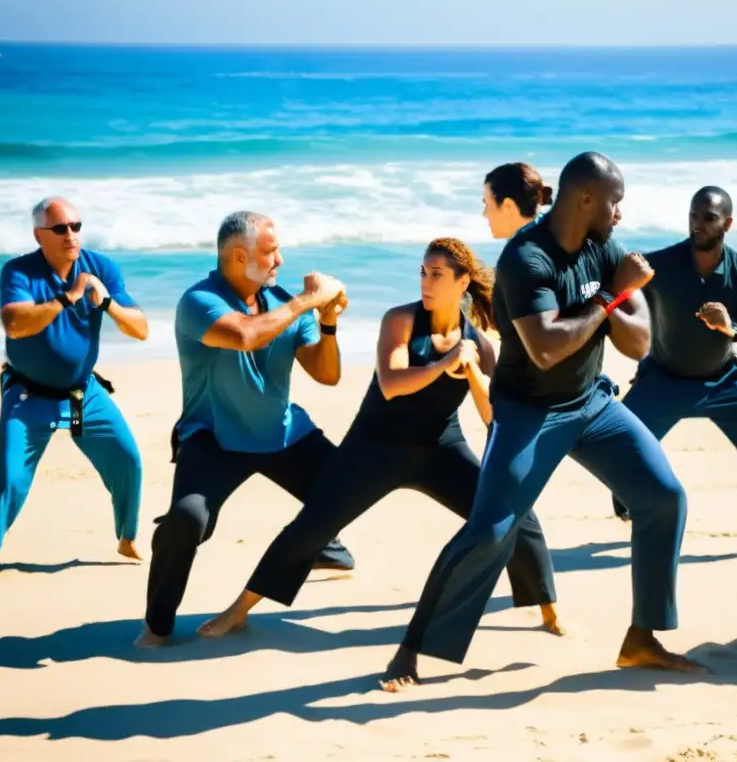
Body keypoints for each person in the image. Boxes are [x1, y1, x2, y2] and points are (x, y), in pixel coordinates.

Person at [381, 152, 705, 691]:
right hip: (528, 412)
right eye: (613, 202)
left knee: (663, 496)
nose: (620, 213)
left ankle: (642, 638)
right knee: (490, 530)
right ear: (585, 200)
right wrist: (611, 294)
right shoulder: (526, 259)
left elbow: (638, 340)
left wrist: (618, 294)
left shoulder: (605, 247)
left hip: (592, 404)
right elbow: (547, 347)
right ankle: (410, 649)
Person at [197, 237, 563, 639]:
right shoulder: (400, 320)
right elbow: (391, 383)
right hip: (374, 447)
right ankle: (240, 609)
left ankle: (548, 610)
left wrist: (473, 372)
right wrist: (443, 364)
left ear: (462, 283)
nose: (425, 282)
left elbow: (494, 416)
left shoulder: (477, 344)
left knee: (515, 512)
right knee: (313, 524)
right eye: (423, 272)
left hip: (441, 447)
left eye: (437, 275)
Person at [135, 211, 355, 646]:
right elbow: (243, 336)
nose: (280, 260)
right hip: (214, 438)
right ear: (239, 256)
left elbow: (326, 374)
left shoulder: (285, 302)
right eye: (271, 250)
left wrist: (327, 319)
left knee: (350, 487)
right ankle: (157, 626)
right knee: (187, 519)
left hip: (282, 432)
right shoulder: (200, 302)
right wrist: (307, 302)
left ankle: (325, 547)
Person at [609, 187, 737, 554]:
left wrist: (732, 329)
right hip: (662, 380)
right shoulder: (660, 265)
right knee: (615, 443)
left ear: (727, 223)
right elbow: (617, 288)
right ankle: (627, 504)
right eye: (694, 215)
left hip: (722, 382)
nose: (698, 224)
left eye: (708, 218)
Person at [0, 197, 148, 575]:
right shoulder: (19, 271)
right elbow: (15, 324)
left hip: (82, 396)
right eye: (60, 229)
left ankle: (127, 536)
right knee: (9, 477)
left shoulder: (101, 267)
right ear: (39, 235)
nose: (71, 235)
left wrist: (108, 303)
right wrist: (69, 297)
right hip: (28, 395)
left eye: (76, 227)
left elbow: (141, 329)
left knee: (126, 459)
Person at [481, 161, 553, 239]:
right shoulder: (554, 233)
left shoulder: (522, 248)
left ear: (508, 206)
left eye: (487, 204)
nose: (484, 214)